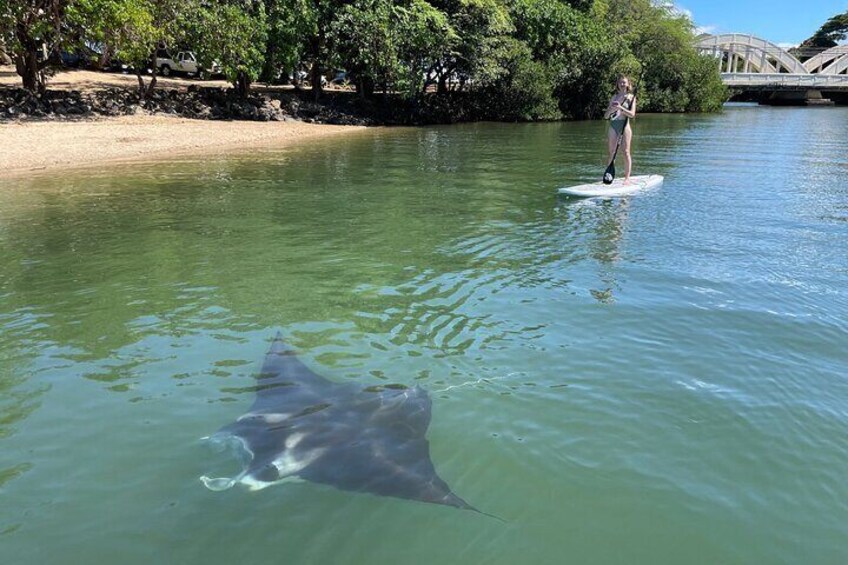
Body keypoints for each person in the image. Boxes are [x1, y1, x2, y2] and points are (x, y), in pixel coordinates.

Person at [603, 76, 637, 184]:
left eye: (624, 82)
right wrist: (611, 109)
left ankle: (627, 178)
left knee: (626, 152)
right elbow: (606, 116)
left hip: (625, 126)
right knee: (611, 153)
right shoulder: (614, 97)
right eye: (620, 82)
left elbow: (632, 115)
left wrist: (621, 108)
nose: (622, 84)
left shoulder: (631, 97)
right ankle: (609, 176)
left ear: (628, 84)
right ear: (617, 84)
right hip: (613, 126)